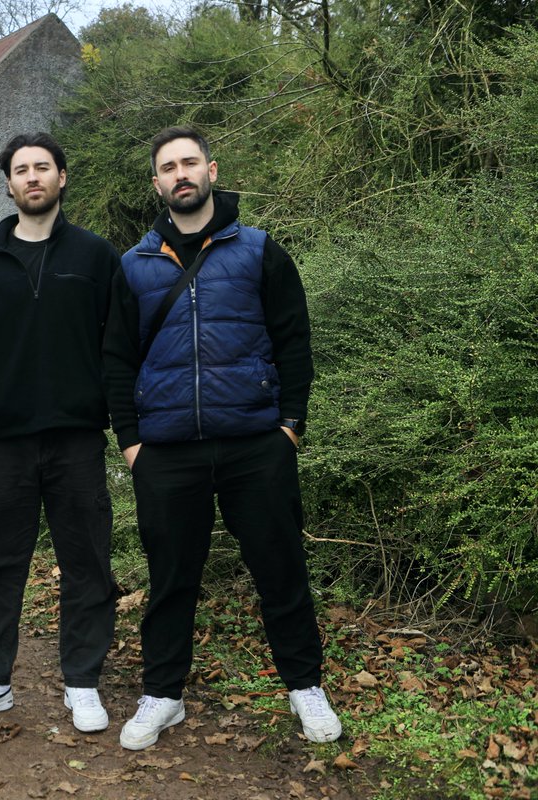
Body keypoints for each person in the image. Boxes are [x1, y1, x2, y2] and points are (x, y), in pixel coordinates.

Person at [102, 126, 342, 750]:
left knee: (280, 567)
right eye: (167, 167)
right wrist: (132, 443)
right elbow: (116, 361)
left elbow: (294, 344)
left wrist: (290, 426)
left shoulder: (261, 251)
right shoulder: (134, 265)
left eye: (189, 162)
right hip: (167, 451)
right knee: (171, 578)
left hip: (255, 444)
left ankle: (305, 686)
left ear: (212, 170)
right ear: (156, 183)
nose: (180, 173)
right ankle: (163, 694)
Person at [0, 133, 120, 734]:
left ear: (62, 178)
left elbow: (119, 340)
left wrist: (105, 402)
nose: (33, 177)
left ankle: (83, 684)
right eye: (21, 170)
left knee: (88, 560)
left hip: (76, 439)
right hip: (6, 440)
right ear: (9, 185)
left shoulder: (96, 257)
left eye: (43, 167)